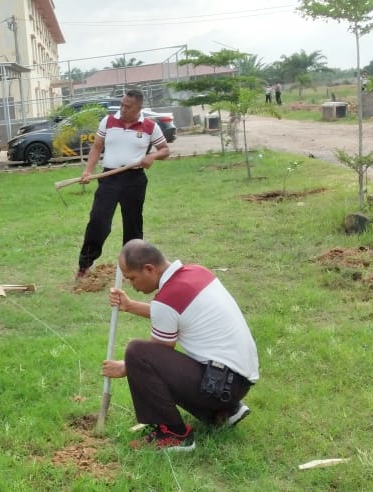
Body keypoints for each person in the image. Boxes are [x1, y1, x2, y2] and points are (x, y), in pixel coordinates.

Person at [102, 239, 260, 452]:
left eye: (132, 278)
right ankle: (225, 412)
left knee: (137, 353)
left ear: (149, 269)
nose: (133, 285)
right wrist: (130, 306)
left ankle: (174, 434)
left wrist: (125, 367)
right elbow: (175, 313)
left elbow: (156, 354)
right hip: (237, 380)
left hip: (222, 385)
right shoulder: (197, 272)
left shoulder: (166, 301)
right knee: (145, 356)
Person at [74, 89, 170, 280]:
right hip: (109, 178)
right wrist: (88, 171)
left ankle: (133, 269)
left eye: (128, 106)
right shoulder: (108, 121)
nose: (123, 109)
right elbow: (97, 147)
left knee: (133, 225)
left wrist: (152, 156)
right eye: (122, 104)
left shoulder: (150, 126)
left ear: (139, 108)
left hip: (134, 180)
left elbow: (165, 150)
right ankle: (85, 265)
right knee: (98, 221)